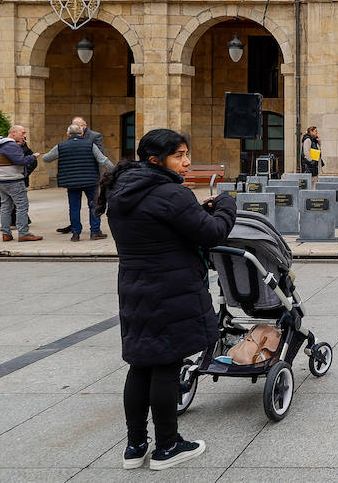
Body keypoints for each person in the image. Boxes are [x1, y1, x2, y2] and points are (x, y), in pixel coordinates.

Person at [99, 128, 236, 471]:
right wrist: (225, 206)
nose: (187, 162)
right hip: (172, 287)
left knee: (141, 363)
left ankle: (135, 447)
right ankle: (168, 446)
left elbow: (161, 227)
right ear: (155, 160)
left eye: (187, 153)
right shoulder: (170, 194)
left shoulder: (121, 190)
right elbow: (212, 232)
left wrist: (197, 211)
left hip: (135, 287)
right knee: (167, 364)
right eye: (179, 156)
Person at [41, 123, 114, 241]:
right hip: (91, 181)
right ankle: (95, 232)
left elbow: (46, 158)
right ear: (82, 133)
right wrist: (115, 171)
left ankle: (76, 234)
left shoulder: (61, 146)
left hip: (71, 182)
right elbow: (103, 160)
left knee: (74, 208)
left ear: (68, 134)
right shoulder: (90, 145)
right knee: (94, 206)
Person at [56, 117, 105, 235]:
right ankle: (76, 230)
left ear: (85, 125)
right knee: (74, 206)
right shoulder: (70, 138)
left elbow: (100, 157)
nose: (77, 128)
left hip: (90, 176)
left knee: (93, 204)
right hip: (74, 177)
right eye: (74, 125)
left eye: (79, 125)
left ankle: (94, 230)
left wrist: (98, 176)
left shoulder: (95, 136)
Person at [0, 125, 40, 242]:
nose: (25, 136)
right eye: (22, 133)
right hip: (12, 180)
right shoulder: (11, 145)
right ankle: (24, 233)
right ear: (13, 133)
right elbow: (21, 161)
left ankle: (6, 233)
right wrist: (32, 157)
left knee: (6, 207)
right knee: (22, 206)